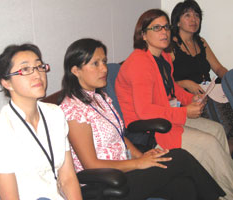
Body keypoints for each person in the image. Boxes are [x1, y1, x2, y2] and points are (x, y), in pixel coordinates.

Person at [59, 38, 225, 200]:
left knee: (183, 185)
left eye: (104, 61)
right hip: (106, 183)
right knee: (180, 158)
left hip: (125, 169)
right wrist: (138, 164)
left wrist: (141, 156)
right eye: (96, 63)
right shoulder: (74, 111)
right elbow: (91, 165)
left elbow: (119, 135)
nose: (104, 69)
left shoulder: (99, 98)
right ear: (75, 70)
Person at [115, 9, 233, 199]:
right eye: (157, 28)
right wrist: (185, 112)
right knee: (209, 143)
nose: (165, 32)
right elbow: (145, 111)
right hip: (151, 130)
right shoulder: (139, 63)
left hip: (168, 116)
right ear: (143, 35)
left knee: (218, 130)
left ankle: (220, 185)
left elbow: (172, 89)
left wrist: (190, 99)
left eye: (166, 27)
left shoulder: (163, 57)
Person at [0, 44, 82, 200]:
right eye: (26, 70)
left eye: (39, 66)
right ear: (7, 83)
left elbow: (67, 177)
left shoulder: (55, 114)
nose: (37, 75)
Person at [170, 0, 233, 152]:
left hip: (210, 91)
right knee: (224, 127)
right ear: (177, 22)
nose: (193, 20)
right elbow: (164, 81)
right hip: (189, 97)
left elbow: (218, 68)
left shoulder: (201, 42)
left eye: (196, 15)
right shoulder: (171, 45)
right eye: (187, 15)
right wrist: (184, 83)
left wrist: (229, 80)